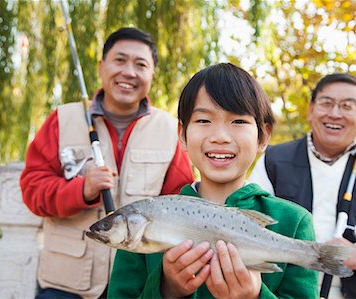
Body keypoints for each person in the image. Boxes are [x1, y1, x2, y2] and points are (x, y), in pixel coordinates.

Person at [107, 63, 319, 299]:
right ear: (182, 134)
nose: (220, 137)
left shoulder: (294, 222)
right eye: (203, 121)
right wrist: (168, 289)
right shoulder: (141, 221)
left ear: (263, 136)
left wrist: (254, 296)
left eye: (238, 121)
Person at [20, 27, 194, 299]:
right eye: (120, 60)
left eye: (141, 65)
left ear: (152, 74)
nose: (129, 72)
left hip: (137, 286)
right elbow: (32, 190)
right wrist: (81, 190)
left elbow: (184, 204)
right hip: (65, 286)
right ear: (102, 67)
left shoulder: (171, 130)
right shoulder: (63, 120)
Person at [249, 73, 356, 298]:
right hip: (285, 291)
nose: (335, 113)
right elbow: (249, 223)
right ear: (311, 110)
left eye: (346, 105)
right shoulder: (273, 159)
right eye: (326, 103)